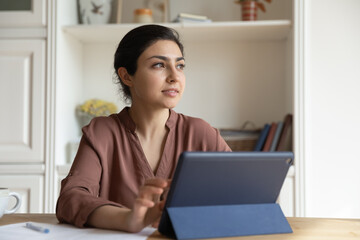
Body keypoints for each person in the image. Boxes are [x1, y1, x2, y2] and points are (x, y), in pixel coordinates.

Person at [56, 24, 231, 233]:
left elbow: (242, 192)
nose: (175, 76)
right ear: (127, 76)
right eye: (159, 65)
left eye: (180, 65)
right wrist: (128, 219)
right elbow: (70, 199)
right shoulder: (102, 132)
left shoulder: (201, 133)